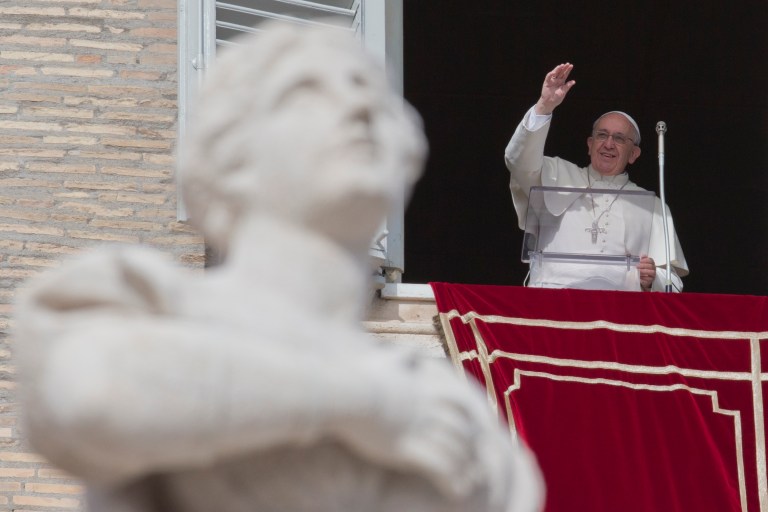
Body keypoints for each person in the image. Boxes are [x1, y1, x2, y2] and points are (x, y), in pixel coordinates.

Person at [15, 23, 543, 512]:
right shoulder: (142, 305)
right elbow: (91, 396)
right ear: (230, 156)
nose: (359, 104)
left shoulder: (456, 412)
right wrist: (362, 401)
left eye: (369, 91)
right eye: (305, 90)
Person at [504, 63, 688, 292]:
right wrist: (544, 106)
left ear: (634, 154)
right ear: (590, 145)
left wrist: (653, 279)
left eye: (620, 138)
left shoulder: (652, 206)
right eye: (602, 135)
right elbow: (517, 160)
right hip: (552, 302)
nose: (608, 144)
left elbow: (673, 282)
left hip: (619, 313)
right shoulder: (557, 174)